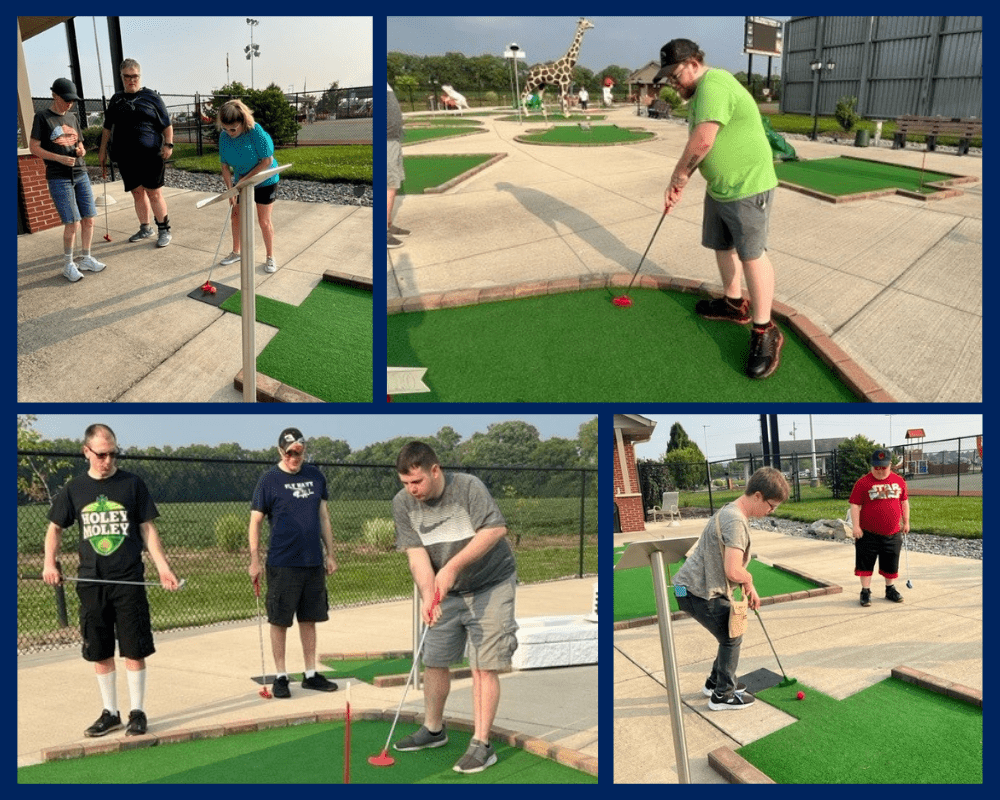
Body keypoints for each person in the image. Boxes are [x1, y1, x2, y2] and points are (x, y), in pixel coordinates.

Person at [655, 39, 782, 379]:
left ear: (694, 63)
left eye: (676, 75)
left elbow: (703, 141)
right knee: (722, 245)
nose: (673, 82)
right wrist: (683, 179)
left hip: (749, 184)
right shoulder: (698, 94)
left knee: (752, 255)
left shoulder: (715, 83)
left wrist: (678, 177)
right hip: (721, 186)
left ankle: (764, 330)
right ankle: (733, 303)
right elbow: (702, 143)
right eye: (668, 78)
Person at [43, 424, 180, 737]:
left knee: (134, 647)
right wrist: (49, 562)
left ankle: (137, 712)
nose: (108, 460)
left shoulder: (132, 484)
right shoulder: (74, 488)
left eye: (113, 454)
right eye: (101, 454)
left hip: (128, 578)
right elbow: (55, 529)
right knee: (99, 649)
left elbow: (147, 528)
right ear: (86, 452)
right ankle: (110, 712)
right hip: (91, 582)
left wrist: (163, 567)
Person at [392, 441, 518, 774]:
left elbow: (495, 529)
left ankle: (482, 744)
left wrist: (450, 568)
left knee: (484, 663)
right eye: (405, 483)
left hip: (491, 583)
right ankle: (433, 730)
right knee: (434, 658)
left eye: (416, 481)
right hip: (445, 592)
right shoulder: (403, 504)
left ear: (435, 470)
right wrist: (427, 592)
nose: (411, 489)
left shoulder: (467, 488)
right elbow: (417, 554)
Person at [670, 467, 789, 711]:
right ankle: (722, 695)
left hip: (683, 589)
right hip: (694, 592)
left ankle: (714, 683)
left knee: (727, 632)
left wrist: (748, 584)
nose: (771, 511)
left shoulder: (728, 509)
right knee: (732, 636)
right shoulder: (736, 521)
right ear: (757, 496)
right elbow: (733, 570)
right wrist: (748, 580)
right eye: (771, 505)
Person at [248, 428, 338, 698]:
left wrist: (330, 553)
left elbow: (323, 517)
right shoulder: (269, 481)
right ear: (280, 452)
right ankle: (281, 676)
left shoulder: (315, 476)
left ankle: (310, 673)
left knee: (309, 618)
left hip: (312, 561)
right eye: (289, 453)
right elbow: (255, 522)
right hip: (282, 562)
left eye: (298, 452)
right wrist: (254, 559)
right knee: (280, 619)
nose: (294, 458)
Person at [29, 78, 107, 282]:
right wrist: (58, 157)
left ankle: (86, 258)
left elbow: (79, 142)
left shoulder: (72, 117)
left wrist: (81, 150)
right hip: (59, 177)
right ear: (54, 95)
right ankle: (68, 264)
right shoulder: (42, 117)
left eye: (72, 100)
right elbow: (34, 147)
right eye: (66, 99)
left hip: (80, 173)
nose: (69, 103)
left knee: (89, 218)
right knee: (72, 222)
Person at [99, 59, 174, 248]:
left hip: (151, 156)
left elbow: (167, 124)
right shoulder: (116, 100)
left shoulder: (152, 97)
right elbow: (107, 127)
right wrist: (102, 151)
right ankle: (145, 227)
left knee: (154, 193)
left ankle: (164, 229)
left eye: (135, 76)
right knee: (137, 193)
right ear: (122, 77)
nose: (131, 80)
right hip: (126, 157)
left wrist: (169, 145)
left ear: (139, 76)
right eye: (127, 77)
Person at [215, 100, 281, 272]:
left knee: (263, 220)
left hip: (265, 179)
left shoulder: (255, 131)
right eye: (225, 128)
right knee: (235, 215)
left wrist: (244, 181)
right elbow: (224, 166)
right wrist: (231, 189)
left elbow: (267, 161)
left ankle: (270, 257)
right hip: (242, 179)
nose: (229, 133)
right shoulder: (224, 137)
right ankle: (236, 252)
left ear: (243, 121)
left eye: (233, 129)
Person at [849, 450, 910, 607]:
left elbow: (904, 502)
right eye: (876, 467)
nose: (880, 471)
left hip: (893, 532)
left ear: (890, 465)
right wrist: (856, 526)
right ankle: (865, 591)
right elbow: (855, 505)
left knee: (891, 561)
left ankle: (890, 589)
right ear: (872, 466)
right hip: (868, 533)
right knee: (865, 563)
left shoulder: (899, 481)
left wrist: (906, 521)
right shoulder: (863, 483)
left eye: (883, 467)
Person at [387, 82, 409, 249]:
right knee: (389, 187)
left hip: (393, 141)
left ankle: (387, 224)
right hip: (386, 143)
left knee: (393, 185)